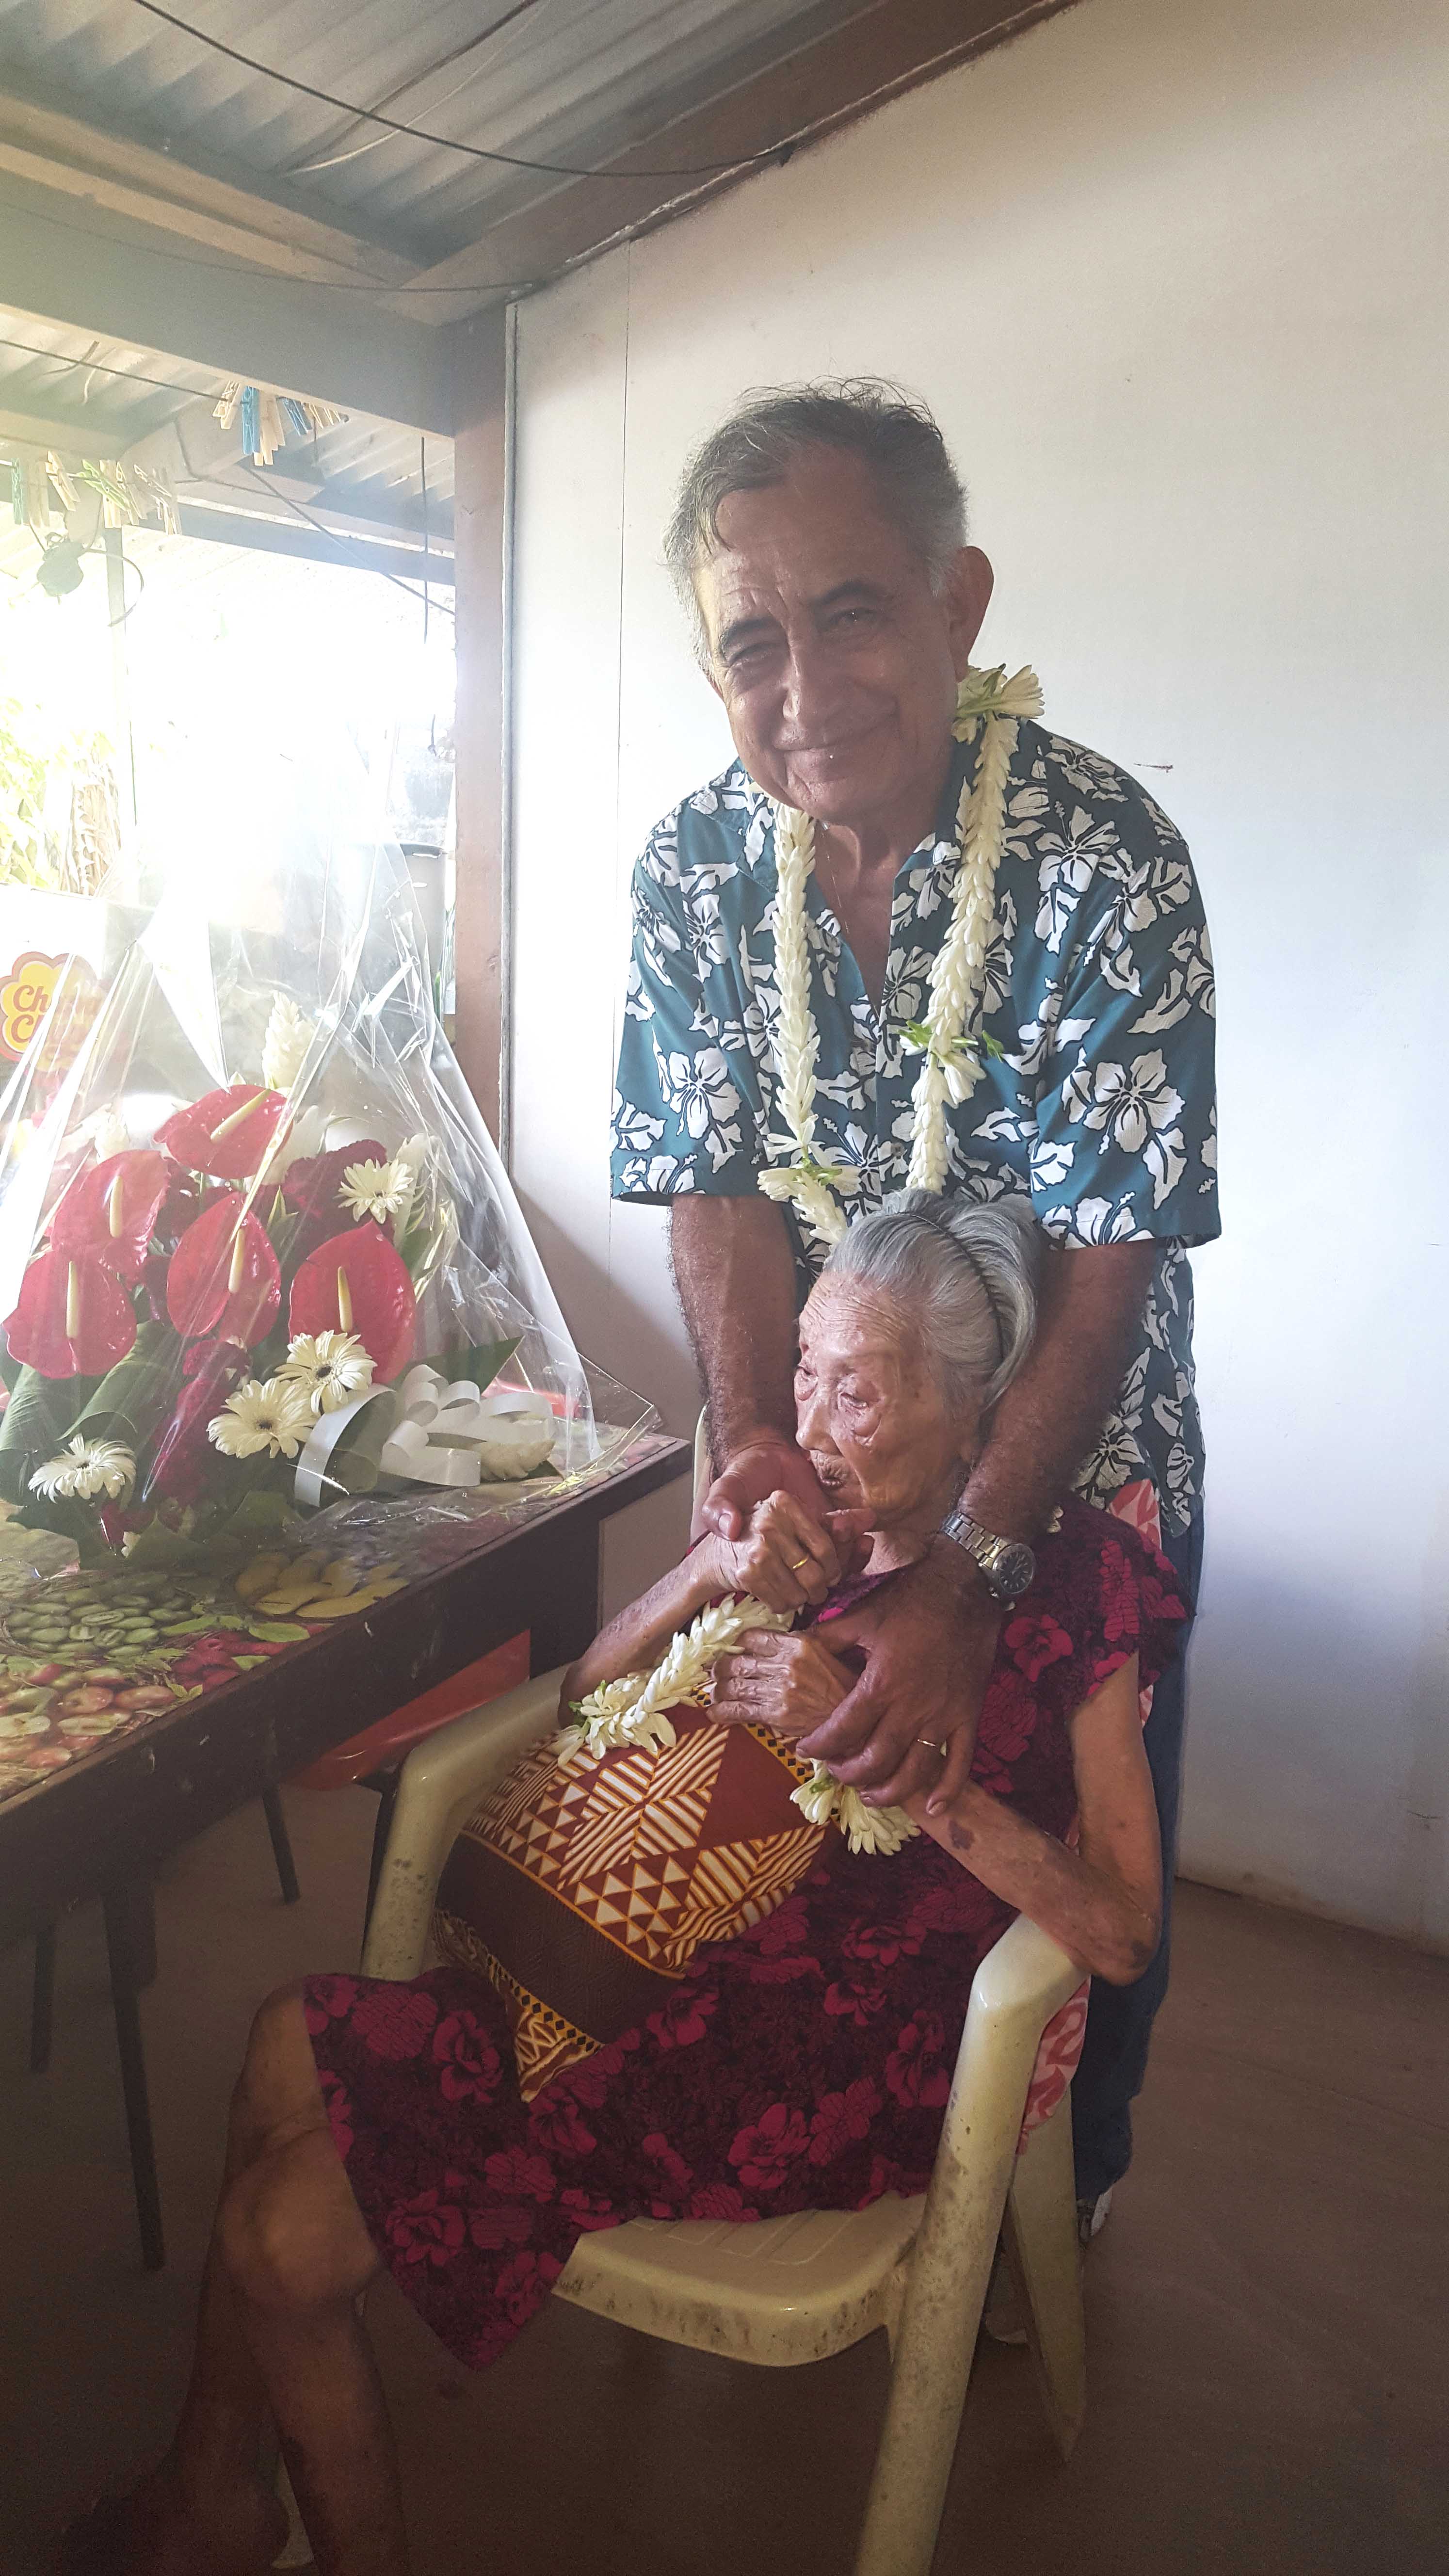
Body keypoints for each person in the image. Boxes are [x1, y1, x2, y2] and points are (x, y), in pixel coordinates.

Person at [70, 1195, 1183, 2576]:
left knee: (282, 2241)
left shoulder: (1074, 1587)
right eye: (802, 1379)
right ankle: (215, 2496)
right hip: (647, 1973)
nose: (818, 1428)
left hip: (821, 2053)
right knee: (279, 2043)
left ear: (979, 1408)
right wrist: (709, 1570)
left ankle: (225, 2504)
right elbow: (589, 1697)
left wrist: (914, 1777)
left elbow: (1121, 1932)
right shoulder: (795, 1530)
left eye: (858, 1391)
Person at [611, 379, 1218, 2220]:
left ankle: (1064, 2190)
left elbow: (1110, 1259)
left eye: (851, 610)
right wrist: (759, 1447)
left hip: (1077, 1478)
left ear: (956, 603)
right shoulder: (693, 868)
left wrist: (977, 1567)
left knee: (1091, 1843)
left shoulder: (1106, 860)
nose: (802, 686)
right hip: (836, 1446)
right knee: (824, 1825)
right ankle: (827, 2154)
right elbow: (714, 1192)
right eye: (750, 641)